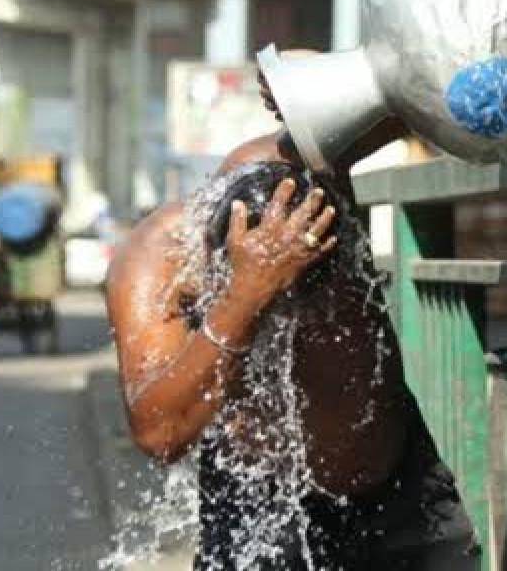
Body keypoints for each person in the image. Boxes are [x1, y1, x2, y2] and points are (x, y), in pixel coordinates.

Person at [107, 104, 480, 566]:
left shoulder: (310, 159)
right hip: (258, 501)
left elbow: (421, 98)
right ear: (216, 263)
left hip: (398, 496)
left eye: (307, 297)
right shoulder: (160, 257)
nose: (292, 321)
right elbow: (159, 433)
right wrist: (245, 299)